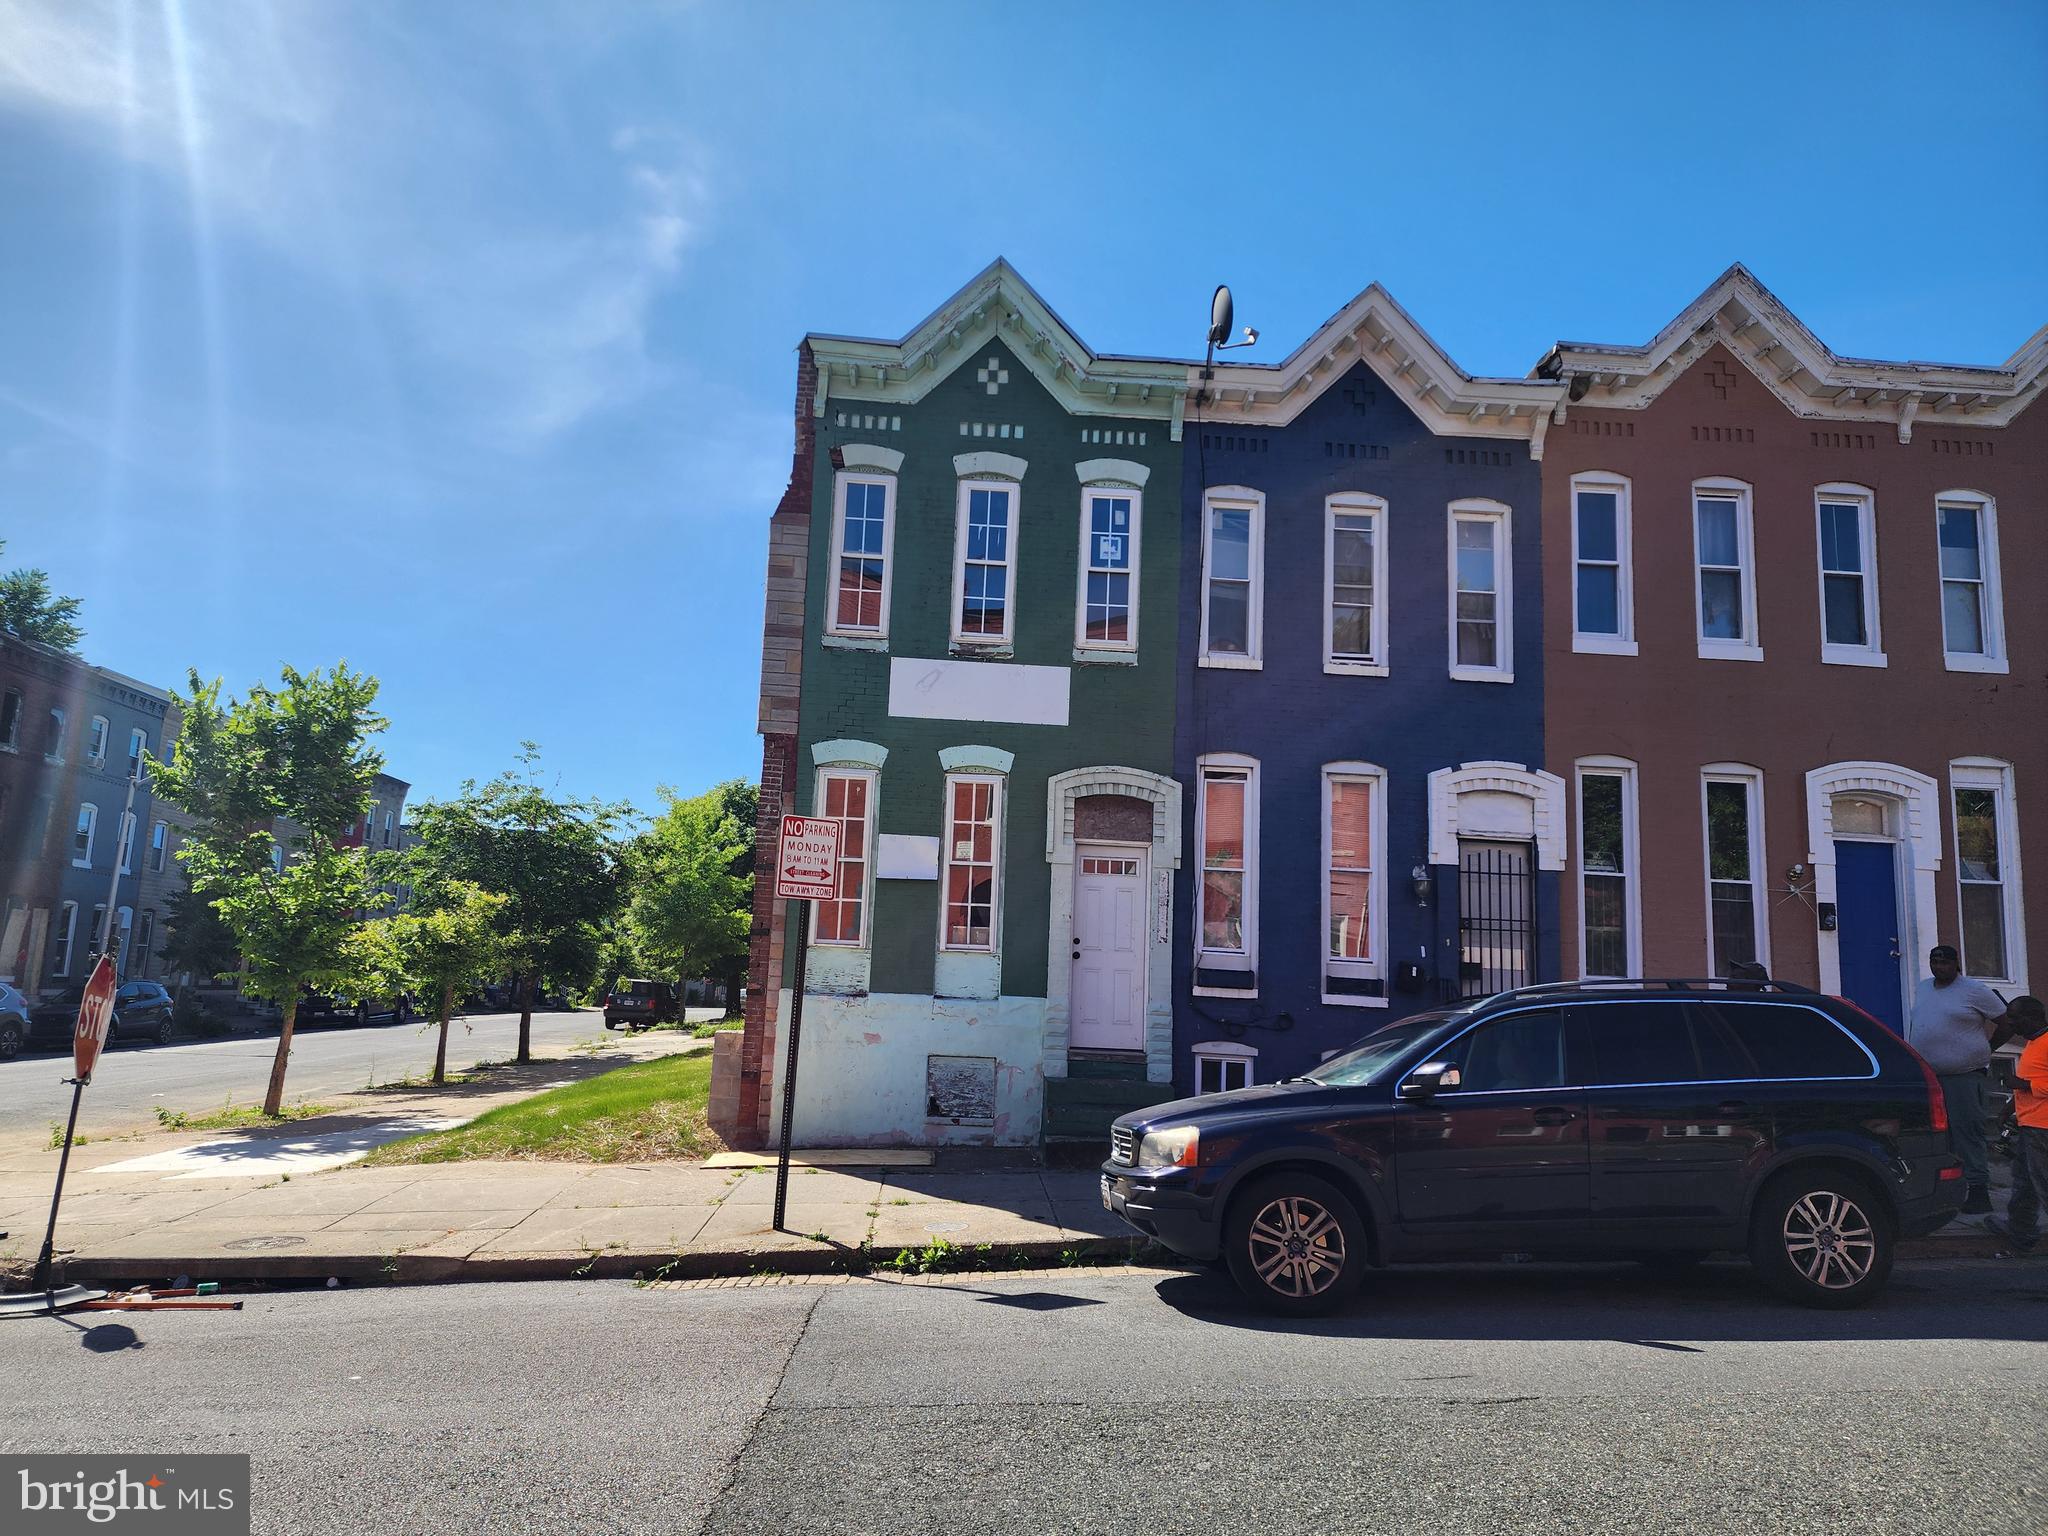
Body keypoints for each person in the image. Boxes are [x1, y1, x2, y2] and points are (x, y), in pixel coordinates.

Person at [1906, 943, 2010, 1214]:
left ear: (1956, 964)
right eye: (1934, 962)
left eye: (1944, 963)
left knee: (1967, 1133)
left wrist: (1989, 1047)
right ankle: (1945, 1193)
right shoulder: (1924, 987)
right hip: (1930, 1078)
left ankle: (1978, 1191)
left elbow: (2007, 1020)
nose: (1938, 967)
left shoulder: (1974, 990)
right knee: (1939, 1137)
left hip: (1963, 1076)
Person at [1992, 996, 2047, 1257]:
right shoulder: (2033, 1044)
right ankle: (2020, 1239)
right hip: (2028, 1126)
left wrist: (2023, 1085)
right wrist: (2009, 1109)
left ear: (2032, 1017)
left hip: (2043, 1129)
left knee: (2042, 1186)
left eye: (2014, 1017)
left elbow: (2030, 1083)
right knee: (2023, 1185)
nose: (2010, 1022)